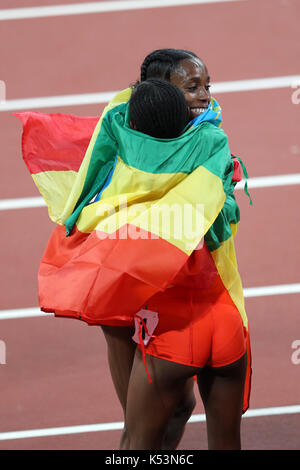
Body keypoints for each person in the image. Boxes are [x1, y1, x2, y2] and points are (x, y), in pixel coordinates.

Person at [17, 48, 251, 451]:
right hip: (155, 295)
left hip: (150, 294)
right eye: (192, 87)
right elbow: (93, 176)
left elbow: (88, 191)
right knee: (155, 422)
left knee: (157, 423)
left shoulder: (180, 129)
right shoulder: (199, 141)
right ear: (163, 93)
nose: (206, 96)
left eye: (206, 86)